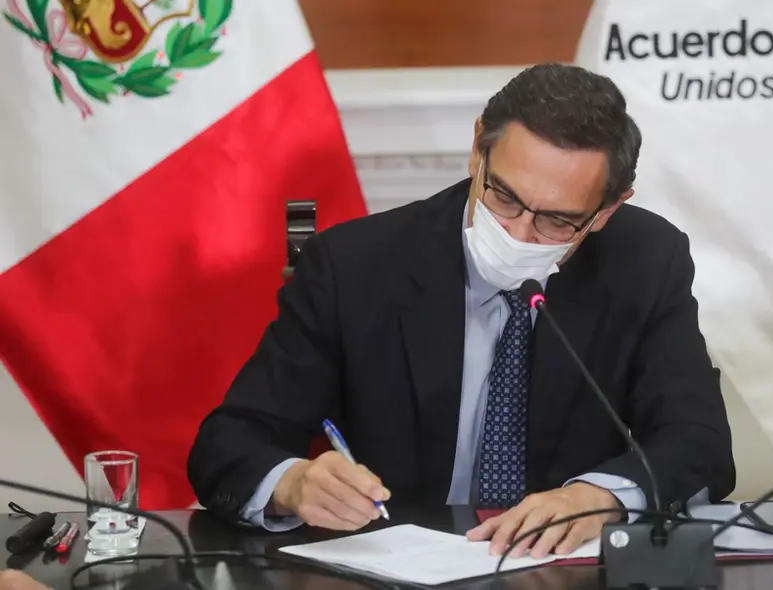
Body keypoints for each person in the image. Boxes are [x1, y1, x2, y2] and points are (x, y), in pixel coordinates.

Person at [187, 63, 735, 558]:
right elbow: (229, 443)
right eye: (503, 195)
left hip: (561, 570)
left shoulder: (645, 261)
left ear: (608, 210)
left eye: (558, 221)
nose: (518, 231)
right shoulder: (355, 266)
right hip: (399, 565)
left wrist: (600, 497)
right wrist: (293, 483)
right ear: (478, 147)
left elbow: (698, 440)